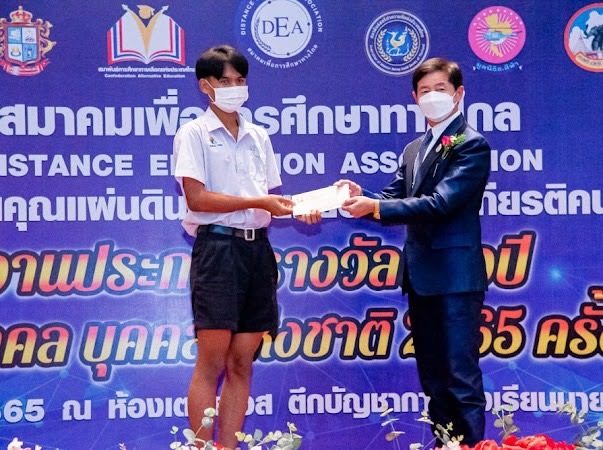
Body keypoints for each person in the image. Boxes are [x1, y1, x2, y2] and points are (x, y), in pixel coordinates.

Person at [300, 57, 490, 445]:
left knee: (461, 379)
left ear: (459, 94)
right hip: (421, 279)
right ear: (414, 98)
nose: (432, 97)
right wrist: (356, 196)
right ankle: (446, 445)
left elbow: (440, 203)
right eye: (425, 91)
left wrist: (376, 206)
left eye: (441, 89)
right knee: (434, 380)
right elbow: (391, 199)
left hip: (456, 279)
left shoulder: (471, 144)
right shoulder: (414, 149)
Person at [173, 45, 294, 450]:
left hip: (257, 252)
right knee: (211, 361)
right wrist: (258, 201)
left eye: (240, 80)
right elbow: (197, 198)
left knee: (242, 361)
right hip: (218, 250)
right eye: (224, 81)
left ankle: (228, 446)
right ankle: (202, 448)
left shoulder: (259, 135)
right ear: (204, 86)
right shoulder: (193, 134)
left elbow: (272, 198)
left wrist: (309, 207)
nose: (234, 87)